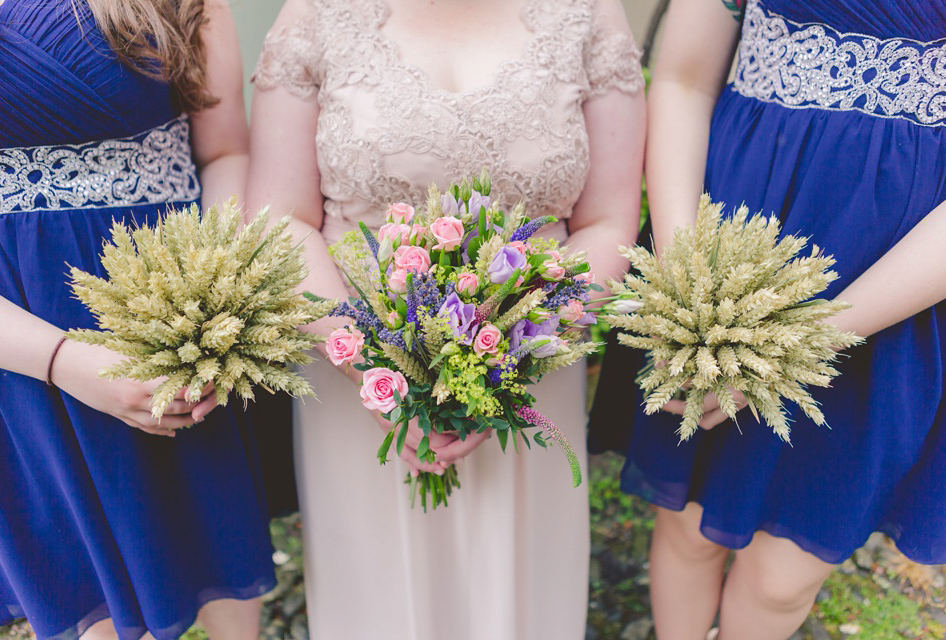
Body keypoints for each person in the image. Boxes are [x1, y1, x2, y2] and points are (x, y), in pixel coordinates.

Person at [246, 0, 646, 638]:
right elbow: (280, 218)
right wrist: (371, 368)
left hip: (528, 374)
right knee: (377, 597)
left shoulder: (588, 13)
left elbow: (608, 222)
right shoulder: (317, 14)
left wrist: (509, 355)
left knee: (518, 595)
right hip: (351, 375)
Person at [591, 1, 946, 639]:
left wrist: (801, 343)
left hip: (895, 290)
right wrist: (691, 293)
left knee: (781, 581)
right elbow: (682, 79)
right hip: (725, 239)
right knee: (688, 525)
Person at [0, 1, 277, 639]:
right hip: (20, 346)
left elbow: (225, 150)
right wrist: (64, 363)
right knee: (94, 597)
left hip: (175, 313)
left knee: (216, 544)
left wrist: (211, 295)